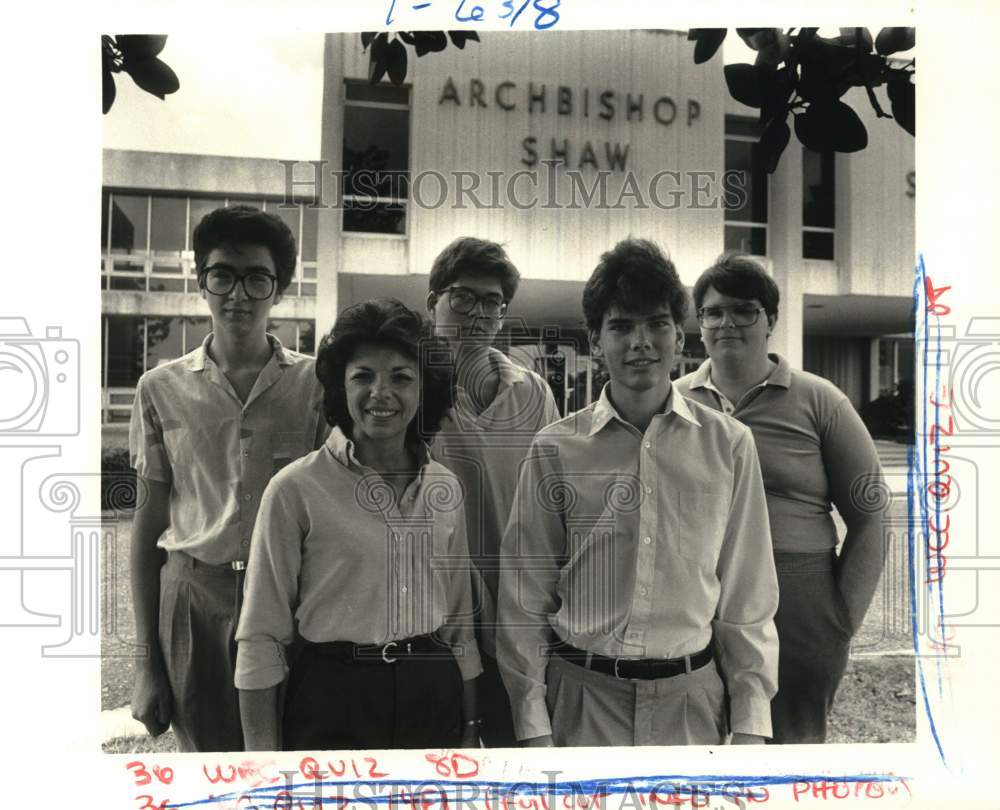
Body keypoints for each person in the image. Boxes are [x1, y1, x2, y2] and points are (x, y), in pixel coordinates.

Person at [497, 238, 779, 747]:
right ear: (594, 340)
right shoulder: (555, 448)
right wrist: (532, 722)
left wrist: (751, 722)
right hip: (581, 701)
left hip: (692, 703)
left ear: (679, 335)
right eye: (621, 326)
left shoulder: (730, 444)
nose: (640, 342)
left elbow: (747, 594)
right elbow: (525, 596)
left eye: (656, 324)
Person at [235, 299, 482, 751]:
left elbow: (460, 623)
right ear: (339, 387)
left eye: (401, 377)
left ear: (425, 388)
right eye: (363, 376)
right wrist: (261, 766)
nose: (381, 393)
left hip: (432, 694)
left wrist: (469, 729)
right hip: (332, 699)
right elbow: (261, 636)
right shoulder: (294, 490)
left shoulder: (446, 488)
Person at [128, 205, 326, 752]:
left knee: (290, 759)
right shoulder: (159, 388)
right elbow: (147, 531)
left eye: (257, 278)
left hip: (290, 597)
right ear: (202, 282)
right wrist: (147, 664)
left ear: (279, 290)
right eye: (223, 275)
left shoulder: (316, 386)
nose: (238, 293)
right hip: (195, 597)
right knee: (208, 765)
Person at [675, 253, 886, 744]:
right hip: (696, 592)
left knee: (791, 747)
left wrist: (839, 619)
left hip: (798, 597)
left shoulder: (820, 401)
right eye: (713, 311)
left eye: (744, 310)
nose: (726, 322)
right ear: (700, 323)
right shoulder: (676, 402)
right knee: (697, 745)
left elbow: (871, 516)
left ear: (770, 319)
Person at [427, 237, 560, 746]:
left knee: (518, 759)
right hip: (437, 616)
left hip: (516, 616)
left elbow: (552, 503)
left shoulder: (531, 392)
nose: (477, 313)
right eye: (463, 297)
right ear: (432, 302)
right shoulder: (409, 392)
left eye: (492, 303)